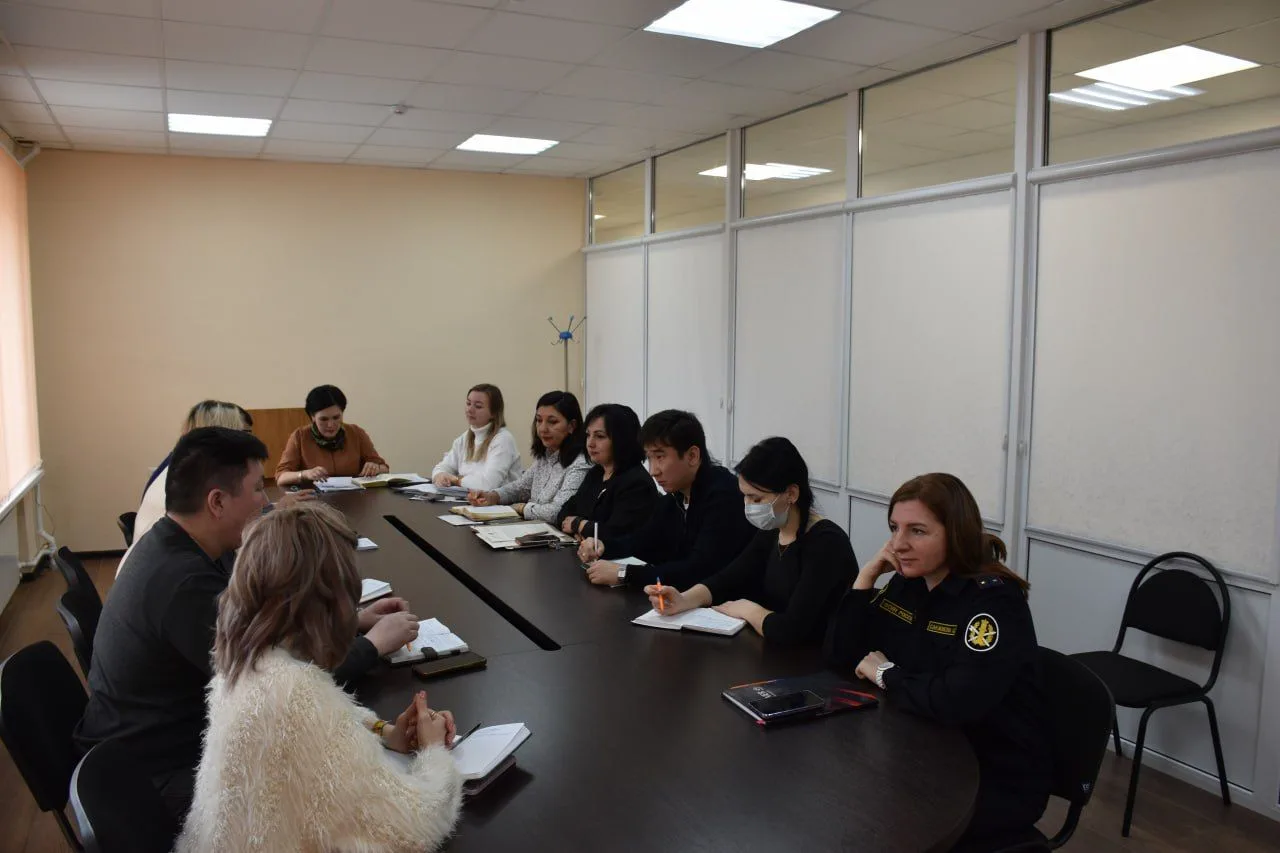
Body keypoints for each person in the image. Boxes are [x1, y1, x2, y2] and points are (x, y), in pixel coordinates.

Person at [76, 428, 420, 820]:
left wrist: (351, 621)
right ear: (217, 502)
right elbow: (275, 681)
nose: (267, 502)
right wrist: (373, 644)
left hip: (154, 744)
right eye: (258, 489)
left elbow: (262, 634)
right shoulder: (182, 583)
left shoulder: (183, 545)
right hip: (154, 779)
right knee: (343, 799)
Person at [177, 503, 462, 852]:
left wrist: (386, 732)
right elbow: (415, 826)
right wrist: (434, 751)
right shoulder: (295, 692)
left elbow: (322, 725)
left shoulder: (245, 659)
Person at [825, 473, 1051, 852]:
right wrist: (864, 579)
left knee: (872, 825)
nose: (899, 544)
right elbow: (840, 656)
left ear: (956, 534)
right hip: (918, 745)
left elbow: (956, 702)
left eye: (917, 531)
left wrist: (886, 674)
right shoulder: (909, 581)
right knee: (839, 799)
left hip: (990, 772)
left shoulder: (994, 603)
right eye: (894, 528)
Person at [644, 437, 856, 645]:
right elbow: (729, 578)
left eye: (756, 499)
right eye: (745, 496)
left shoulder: (827, 544)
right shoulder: (772, 530)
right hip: (775, 651)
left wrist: (748, 609)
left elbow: (792, 630)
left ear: (791, 494)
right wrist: (683, 600)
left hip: (813, 657)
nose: (748, 505)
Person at [579, 410, 754, 589]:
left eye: (660, 457)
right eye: (649, 458)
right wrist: (603, 546)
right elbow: (642, 540)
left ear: (692, 456)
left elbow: (699, 569)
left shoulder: (724, 496)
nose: (653, 471)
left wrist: (624, 574)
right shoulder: (675, 496)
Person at [469, 390, 590, 523]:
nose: (542, 428)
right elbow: (521, 488)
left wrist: (522, 508)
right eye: (539, 420)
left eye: (552, 422)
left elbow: (557, 512)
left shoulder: (580, 464)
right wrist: (493, 496)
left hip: (554, 532)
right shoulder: (545, 455)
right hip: (532, 526)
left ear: (572, 426)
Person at [557, 403, 659, 541]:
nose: (590, 443)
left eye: (600, 436)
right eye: (588, 435)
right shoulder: (596, 473)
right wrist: (581, 529)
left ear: (622, 439)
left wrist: (578, 524)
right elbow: (564, 513)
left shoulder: (637, 483)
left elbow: (615, 534)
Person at [276, 384, 389, 485]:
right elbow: (281, 477)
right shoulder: (300, 436)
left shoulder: (356, 433)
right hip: (314, 498)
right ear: (312, 417)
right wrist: (305, 474)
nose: (330, 425)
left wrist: (376, 468)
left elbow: (384, 468)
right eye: (323, 419)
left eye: (336, 417)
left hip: (353, 496)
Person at [431, 383, 523, 491]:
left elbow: (487, 485)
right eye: (468, 403)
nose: (470, 410)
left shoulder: (503, 439)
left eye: (478, 406)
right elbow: (441, 468)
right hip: (468, 498)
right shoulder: (464, 438)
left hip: (500, 501)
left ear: (493, 413)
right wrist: (440, 476)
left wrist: (456, 480)